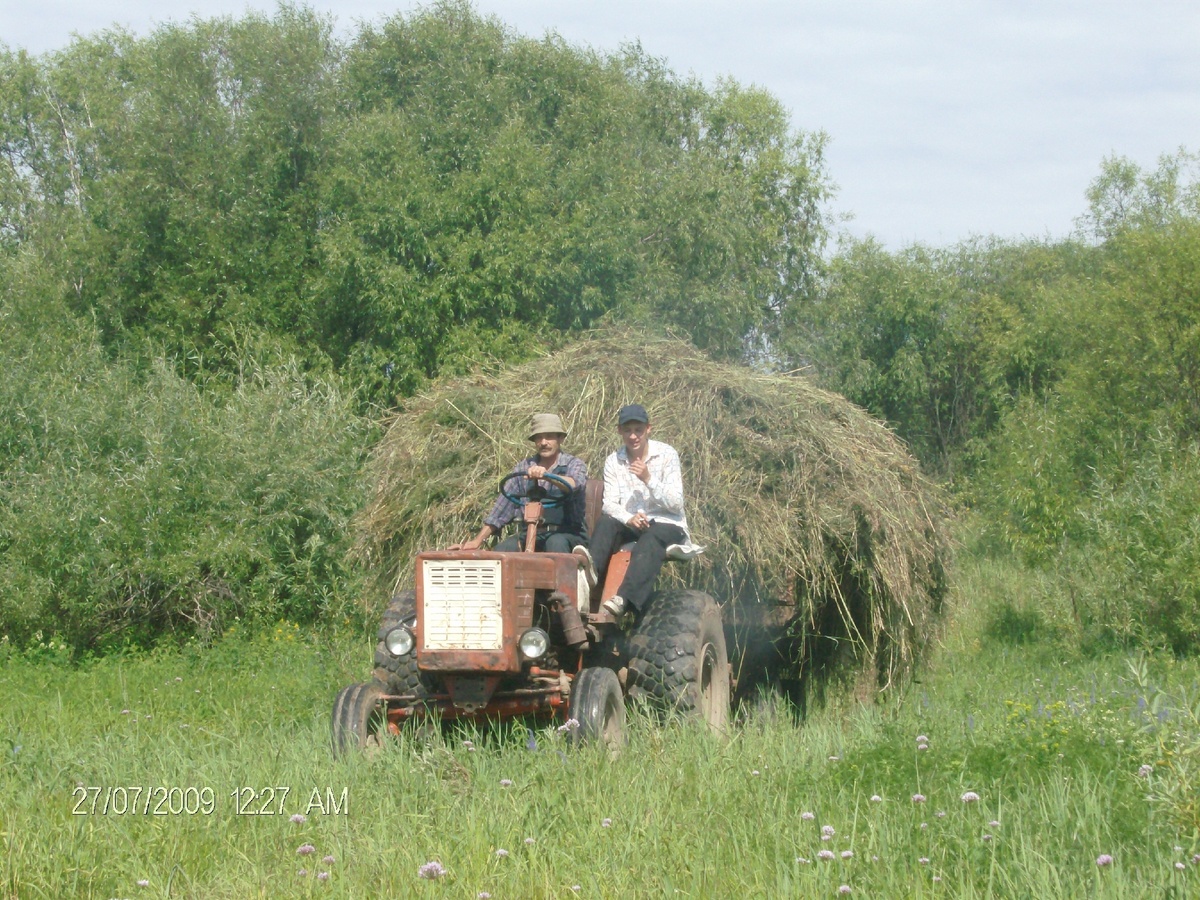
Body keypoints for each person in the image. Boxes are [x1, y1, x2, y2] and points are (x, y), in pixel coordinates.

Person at [573, 403, 696, 620]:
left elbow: (676, 503)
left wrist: (648, 478)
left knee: (651, 539)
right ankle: (588, 577)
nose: (633, 436)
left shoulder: (667, 455)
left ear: (648, 429)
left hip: (666, 523)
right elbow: (610, 503)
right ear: (619, 431)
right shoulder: (614, 461)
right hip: (632, 522)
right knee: (606, 522)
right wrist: (629, 518)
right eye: (627, 430)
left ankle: (624, 599)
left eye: (638, 430)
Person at [449, 413, 589, 553]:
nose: (543, 442)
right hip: (530, 534)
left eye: (549, 436)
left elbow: (574, 484)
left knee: (555, 543)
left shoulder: (573, 464)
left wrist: (548, 476)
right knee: (504, 549)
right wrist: (478, 540)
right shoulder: (523, 468)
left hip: (567, 534)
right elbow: (500, 510)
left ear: (561, 438)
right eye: (539, 437)